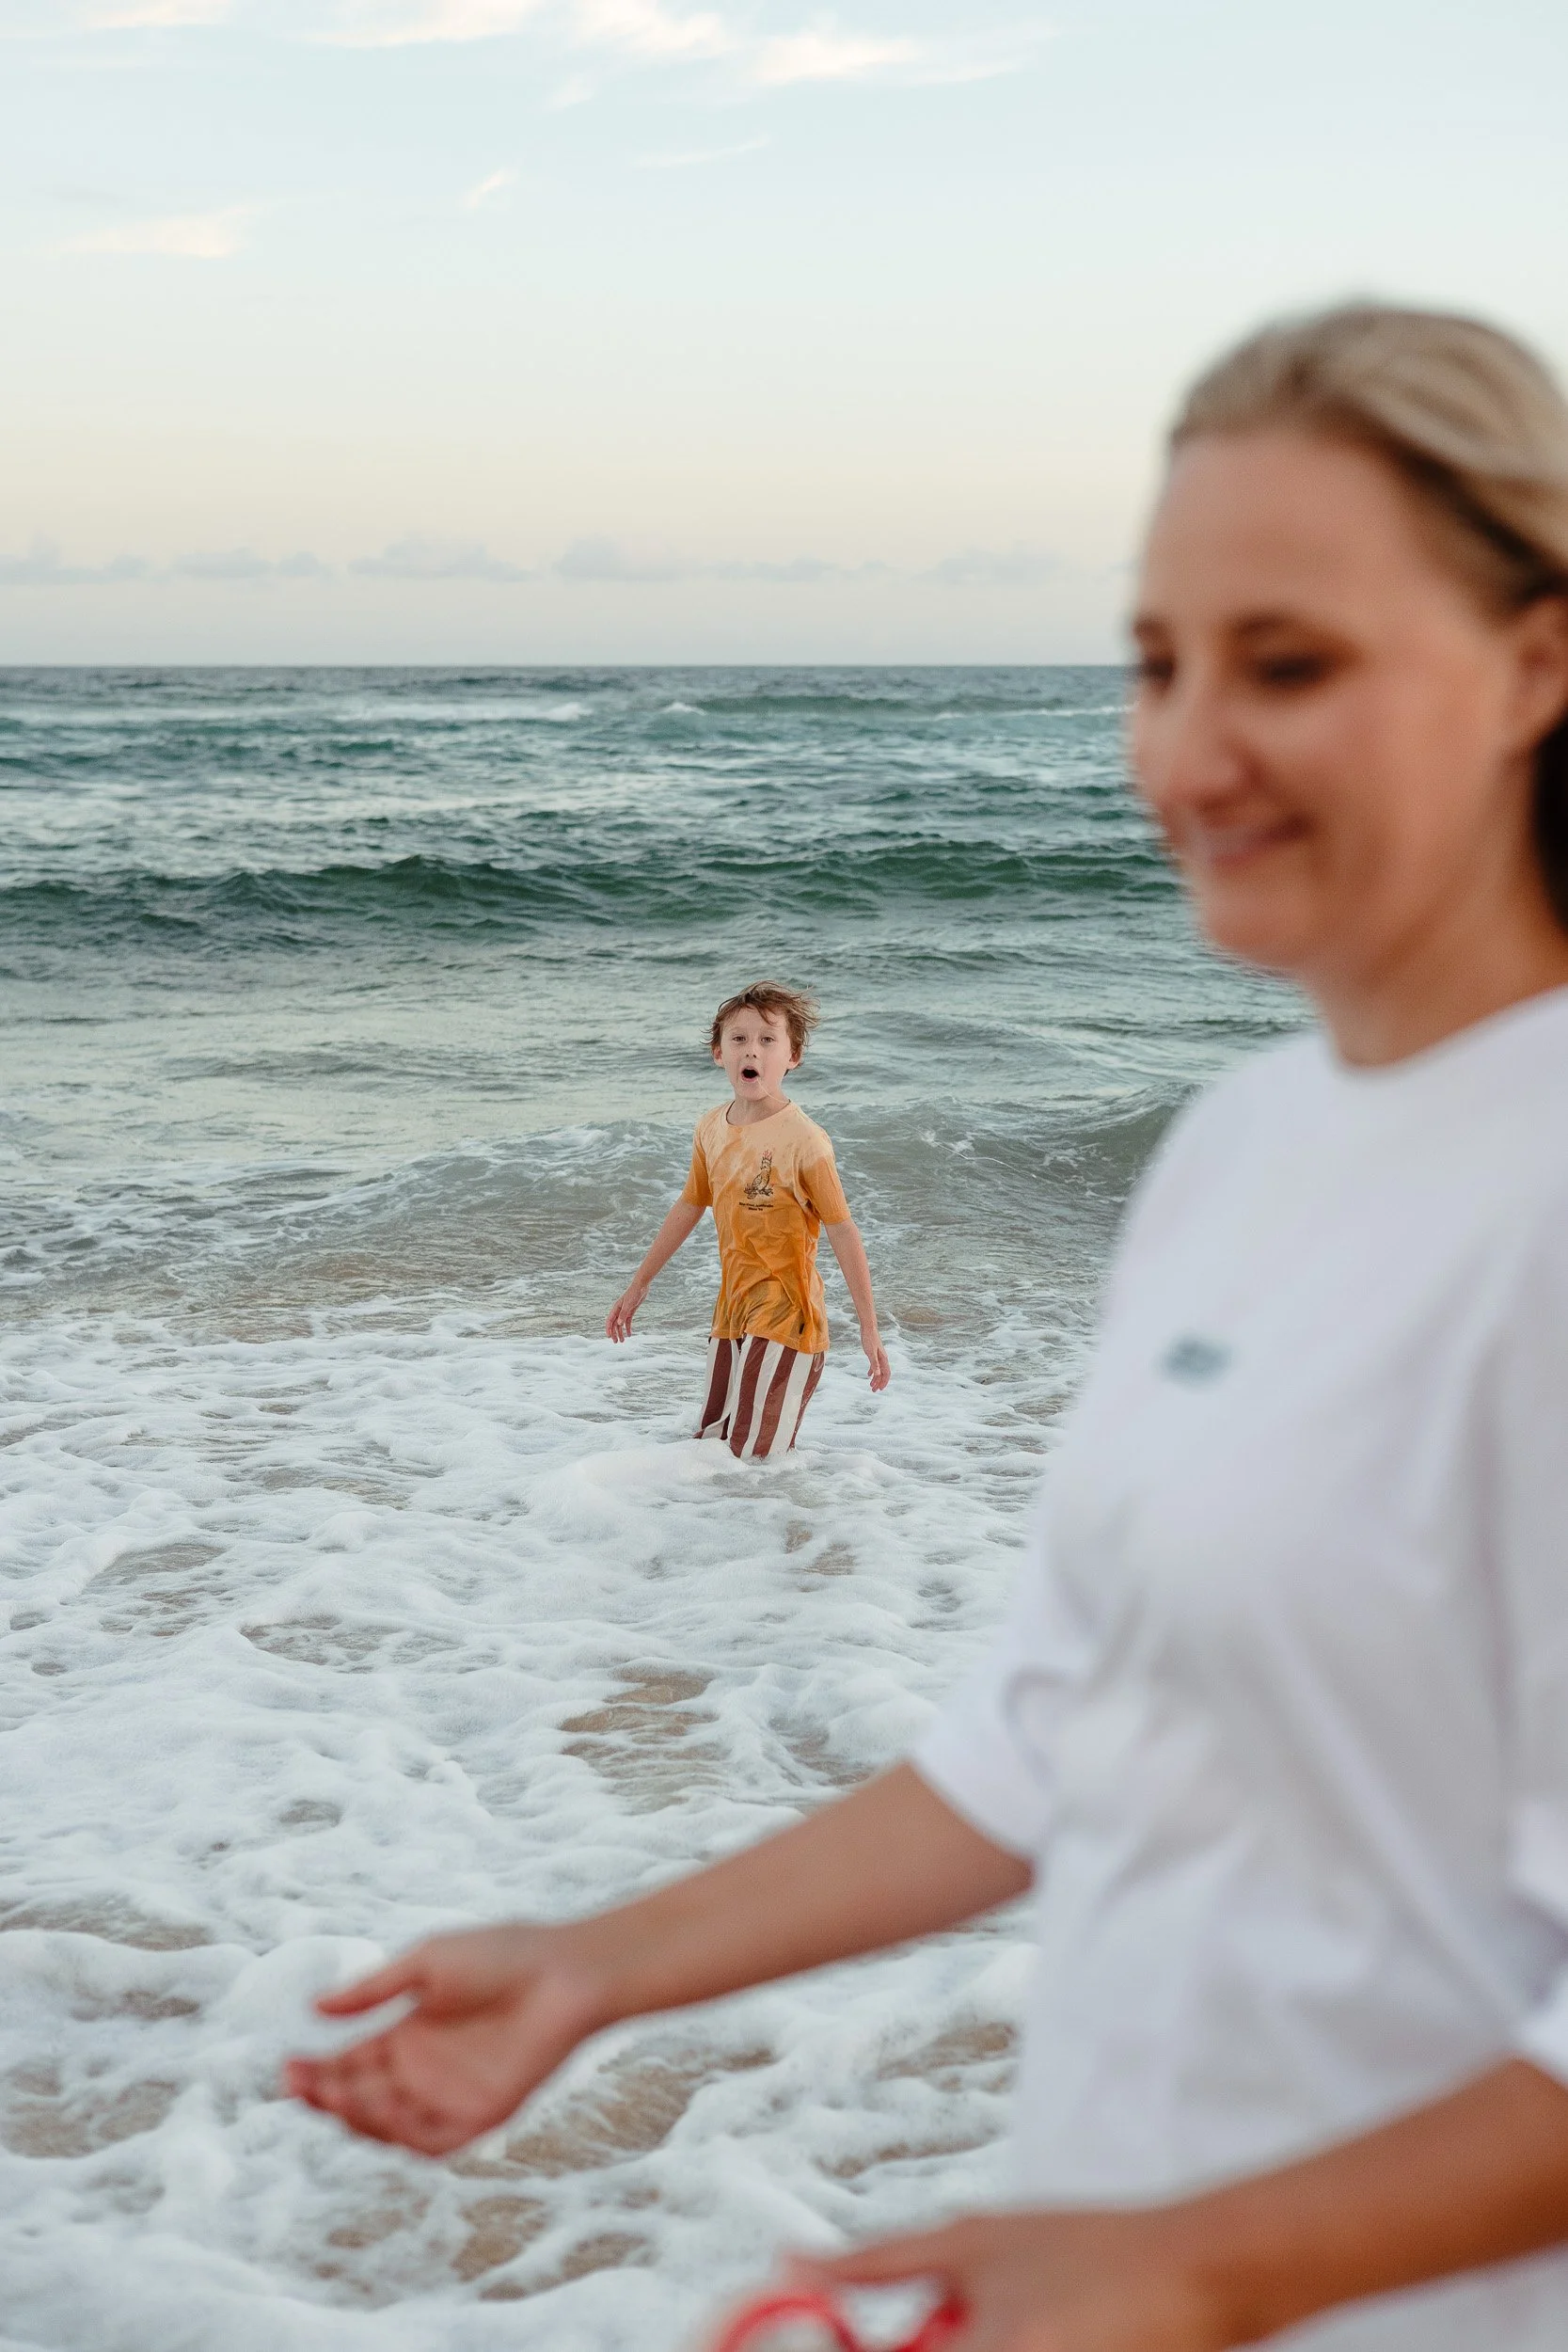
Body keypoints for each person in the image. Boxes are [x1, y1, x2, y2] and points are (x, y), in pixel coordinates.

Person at [287, 304, 1568, 2348]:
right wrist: (595, 1961)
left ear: (1531, 661)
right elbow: (1058, 1730)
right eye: (1153, 663)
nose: (1184, 747)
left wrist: (1179, 2262)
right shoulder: (1240, 1146)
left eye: (1287, 661)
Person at [605, 981, 890, 1458]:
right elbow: (690, 1206)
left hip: (789, 1317)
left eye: (767, 1040)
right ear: (719, 1053)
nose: (750, 1050)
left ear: (792, 1057)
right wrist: (638, 1286)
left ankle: (802, 1529)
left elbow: (842, 1229)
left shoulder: (806, 1141)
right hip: (732, 1311)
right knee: (714, 1447)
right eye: (738, 1039)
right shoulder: (711, 1127)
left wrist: (869, 1327)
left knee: (754, 1459)